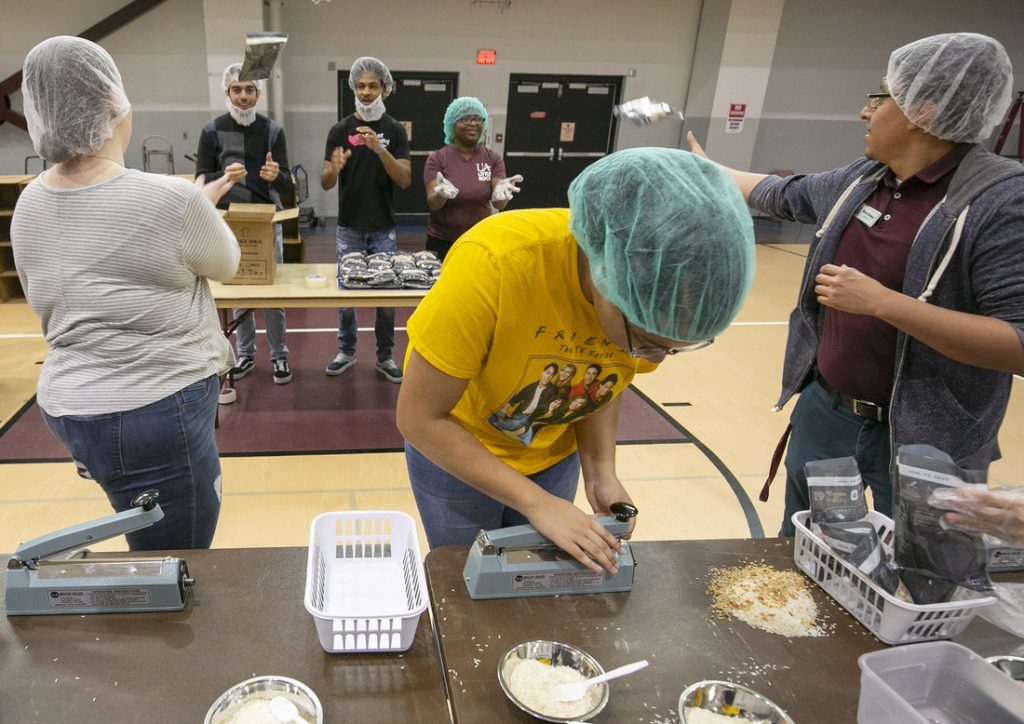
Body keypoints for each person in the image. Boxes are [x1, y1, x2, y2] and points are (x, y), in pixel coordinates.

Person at [689, 32, 1024, 536]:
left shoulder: (1000, 204)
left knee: (917, 572)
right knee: (808, 552)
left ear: (921, 111)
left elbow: (1018, 343)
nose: (866, 112)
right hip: (829, 415)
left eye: (880, 97)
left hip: (930, 442)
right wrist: (704, 169)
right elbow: (781, 194)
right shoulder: (864, 179)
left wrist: (886, 304)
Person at [396, 147, 755, 572]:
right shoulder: (495, 262)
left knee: (532, 578)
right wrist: (536, 503)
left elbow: (604, 379)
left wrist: (601, 471)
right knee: (467, 578)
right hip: (457, 455)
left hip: (551, 457)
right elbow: (419, 419)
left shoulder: (653, 304)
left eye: (668, 350)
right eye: (643, 342)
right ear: (604, 272)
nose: (649, 358)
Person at [12, 36, 240, 550]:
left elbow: (44, 293)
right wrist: (201, 204)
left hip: (69, 407)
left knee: (138, 519)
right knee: (177, 557)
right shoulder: (172, 199)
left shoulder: (29, 203)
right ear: (113, 103)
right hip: (154, 409)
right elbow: (225, 262)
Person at [195, 62, 294, 385]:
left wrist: (276, 176)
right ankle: (246, 353)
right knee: (238, 291)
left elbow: (289, 184)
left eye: (249, 90)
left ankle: (279, 356)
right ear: (227, 92)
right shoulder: (211, 131)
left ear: (258, 94)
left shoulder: (272, 132)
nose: (243, 96)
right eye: (236, 89)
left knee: (272, 291)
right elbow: (200, 181)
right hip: (228, 221)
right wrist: (223, 176)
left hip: (266, 220)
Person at [321, 56, 411, 383]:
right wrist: (334, 167)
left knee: (385, 297)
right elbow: (325, 182)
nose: (366, 91)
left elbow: (404, 179)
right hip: (349, 227)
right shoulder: (339, 130)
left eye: (373, 85)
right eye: (361, 86)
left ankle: (385, 356)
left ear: (384, 88)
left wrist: (379, 149)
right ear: (353, 89)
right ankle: (346, 351)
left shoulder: (394, 130)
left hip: (383, 227)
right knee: (346, 294)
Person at [424, 96, 522, 260]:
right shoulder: (437, 158)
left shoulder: (493, 159)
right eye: (465, 119)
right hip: (443, 241)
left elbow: (498, 203)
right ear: (452, 124)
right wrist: (441, 194)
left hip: (479, 239)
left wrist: (502, 193)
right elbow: (433, 204)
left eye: (477, 119)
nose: (473, 123)